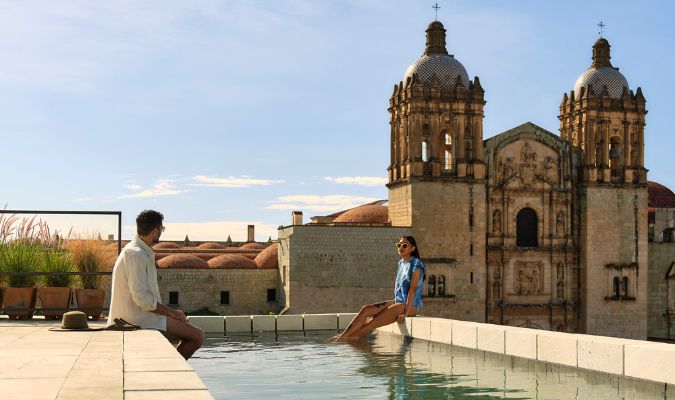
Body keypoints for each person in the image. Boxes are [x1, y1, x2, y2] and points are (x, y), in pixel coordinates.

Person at [107, 209, 204, 359]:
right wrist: (172, 313)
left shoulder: (138, 251)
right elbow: (141, 298)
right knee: (197, 336)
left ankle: (171, 368)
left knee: (187, 334)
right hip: (136, 319)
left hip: (141, 315)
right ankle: (172, 372)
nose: (161, 233)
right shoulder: (136, 254)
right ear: (155, 231)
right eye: (161, 229)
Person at [335, 236, 425, 340]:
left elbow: (412, 289)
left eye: (405, 245)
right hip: (399, 302)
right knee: (366, 310)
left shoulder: (416, 264)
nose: (401, 247)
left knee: (370, 324)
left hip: (410, 305)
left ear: (412, 248)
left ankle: (342, 341)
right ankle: (342, 337)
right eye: (399, 245)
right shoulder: (401, 263)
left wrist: (406, 313)